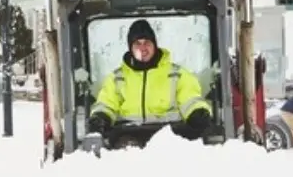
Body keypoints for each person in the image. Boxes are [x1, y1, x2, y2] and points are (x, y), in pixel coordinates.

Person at [86, 19, 213, 148]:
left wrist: (197, 113)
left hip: (169, 134)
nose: (142, 48)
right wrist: (100, 118)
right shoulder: (117, 78)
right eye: (137, 43)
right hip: (129, 134)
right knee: (125, 150)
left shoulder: (177, 74)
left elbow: (190, 99)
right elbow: (107, 104)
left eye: (147, 42)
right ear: (130, 48)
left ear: (154, 45)